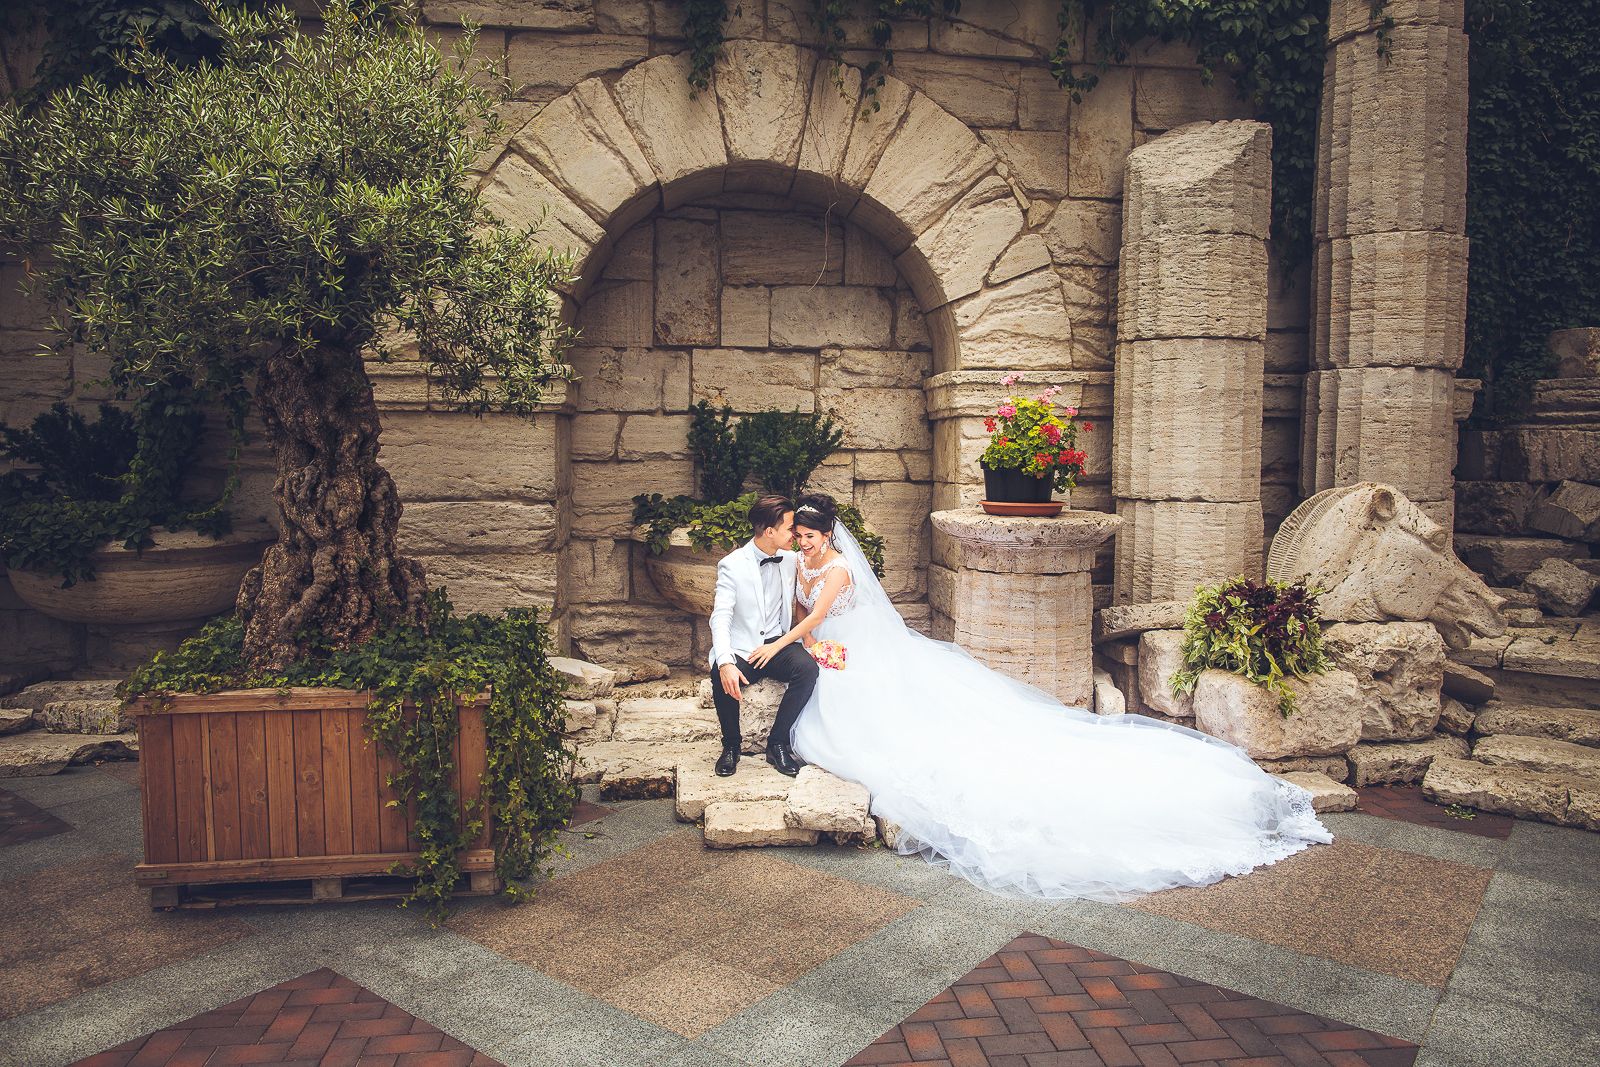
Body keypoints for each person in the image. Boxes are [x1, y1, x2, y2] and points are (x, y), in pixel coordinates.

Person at [748, 492, 1332, 901]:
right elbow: (803, 612)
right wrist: (809, 644)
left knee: (870, 707)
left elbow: (818, 614)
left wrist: (790, 644)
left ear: (829, 535)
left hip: (861, 646)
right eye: (799, 536)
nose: (804, 543)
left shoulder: (839, 569)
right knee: (832, 689)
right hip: (829, 646)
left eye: (811, 536)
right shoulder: (800, 562)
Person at [706, 494, 819, 778]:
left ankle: (777, 743)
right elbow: (721, 616)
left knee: (807, 669)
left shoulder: (791, 559)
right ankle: (731, 745)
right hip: (744, 647)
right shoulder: (732, 564)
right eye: (791, 528)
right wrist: (726, 661)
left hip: (778, 644)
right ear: (770, 531)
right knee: (721, 673)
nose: (796, 534)